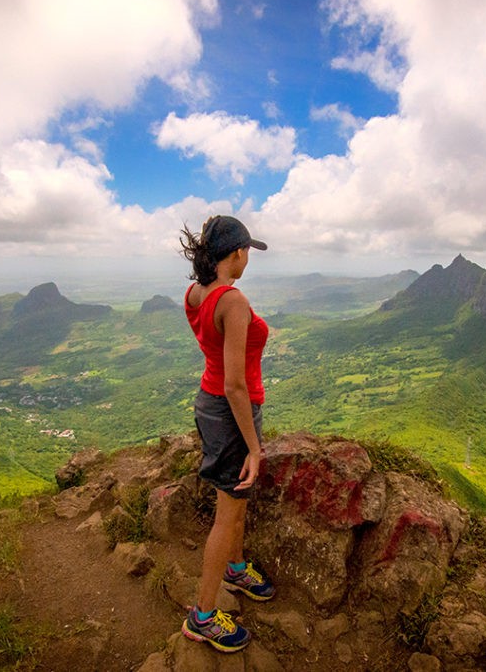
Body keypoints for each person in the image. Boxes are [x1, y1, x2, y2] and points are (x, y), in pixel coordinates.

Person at [179, 215, 275, 653]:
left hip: (209, 403)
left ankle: (235, 568)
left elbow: (214, 354)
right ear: (236, 252)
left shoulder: (195, 293)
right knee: (228, 511)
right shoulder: (232, 301)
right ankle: (202, 617)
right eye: (247, 250)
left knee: (234, 502)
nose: (248, 257)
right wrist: (254, 447)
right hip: (231, 409)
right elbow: (235, 383)